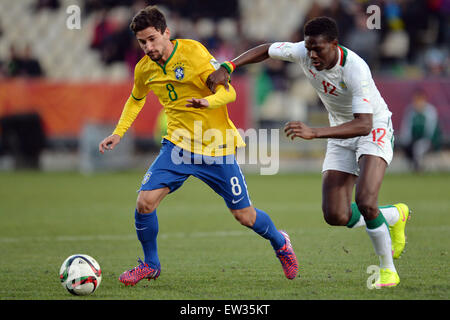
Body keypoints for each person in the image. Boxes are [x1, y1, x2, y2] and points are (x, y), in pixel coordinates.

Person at [98, 5, 298, 286]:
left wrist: (208, 101)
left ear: (167, 32)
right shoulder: (144, 69)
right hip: (178, 147)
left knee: (244, 215)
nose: (148, 47)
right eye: (142, 42)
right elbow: (136, 98)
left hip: (216, 147)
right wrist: (118, 133)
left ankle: (281, 243)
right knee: (144, 202)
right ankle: (150, 264)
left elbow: (228, 91)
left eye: (153, 39)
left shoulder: (193, 53)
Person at [207, 16, 410, 288]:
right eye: (309, 48)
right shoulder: (302, 51)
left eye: (318, 49)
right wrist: (229, 66)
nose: (312, 55)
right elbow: (267, 49)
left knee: (365, 201)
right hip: (339, 130)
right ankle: (395, 215)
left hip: (373, 128)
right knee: (334, 215)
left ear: (335, 45)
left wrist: (315, 132)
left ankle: (387, 270)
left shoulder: (355, 69)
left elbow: (363, 124)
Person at [400, 89, 442, 172]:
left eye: (420, 100)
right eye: (416, 100)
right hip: (414, 140)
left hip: (428, 141)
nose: (417, 103)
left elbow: (431, 131)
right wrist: (405, 141)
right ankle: (413, 167)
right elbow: (406, 129)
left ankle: (419, 168)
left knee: (418, 147)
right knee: (408, 146)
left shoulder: (430, 112)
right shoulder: (410, 111)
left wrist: (429, 141)